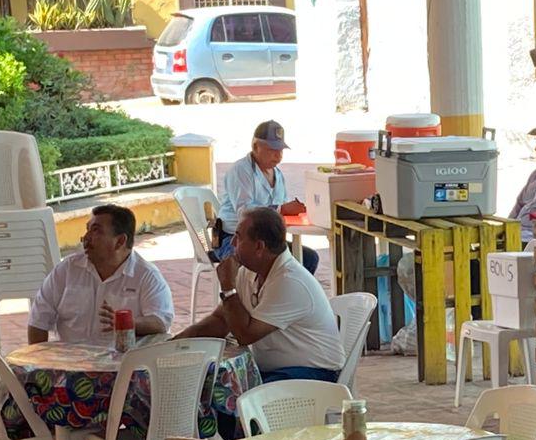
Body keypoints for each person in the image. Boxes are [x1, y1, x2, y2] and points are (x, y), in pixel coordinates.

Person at [177, 207, 342, 385]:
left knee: (228, 395)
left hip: (314, 375)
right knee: (205, 385)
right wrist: (177, 342)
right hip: (276, 371)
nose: (232, 243)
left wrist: (228, 288)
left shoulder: (289, 280)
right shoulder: (248, 271)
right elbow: (221, 320)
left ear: (259, 247)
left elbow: (245, 335)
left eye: (238, 237)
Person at [27, 204, 174, 345]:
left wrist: (128, 322)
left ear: (120, 241)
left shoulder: (146, 276)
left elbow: (160, 321)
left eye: (96, 231)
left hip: (121, 365)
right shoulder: (67, 270)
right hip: (71, 362)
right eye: (87, 230)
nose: (86, 237)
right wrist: (38, 364)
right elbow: (38, 321)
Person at [212, 120, 319, 275]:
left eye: (281, 150)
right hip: (233, 238)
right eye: (272, 149)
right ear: (256, 146)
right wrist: (281, 209)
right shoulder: (241, 170)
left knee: (308, 258)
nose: (278, 155)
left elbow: (281, 208)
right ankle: (262, 297)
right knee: (256, 268)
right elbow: (244, 212)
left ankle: (284, 297)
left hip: (265, 241)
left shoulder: (278, 175)